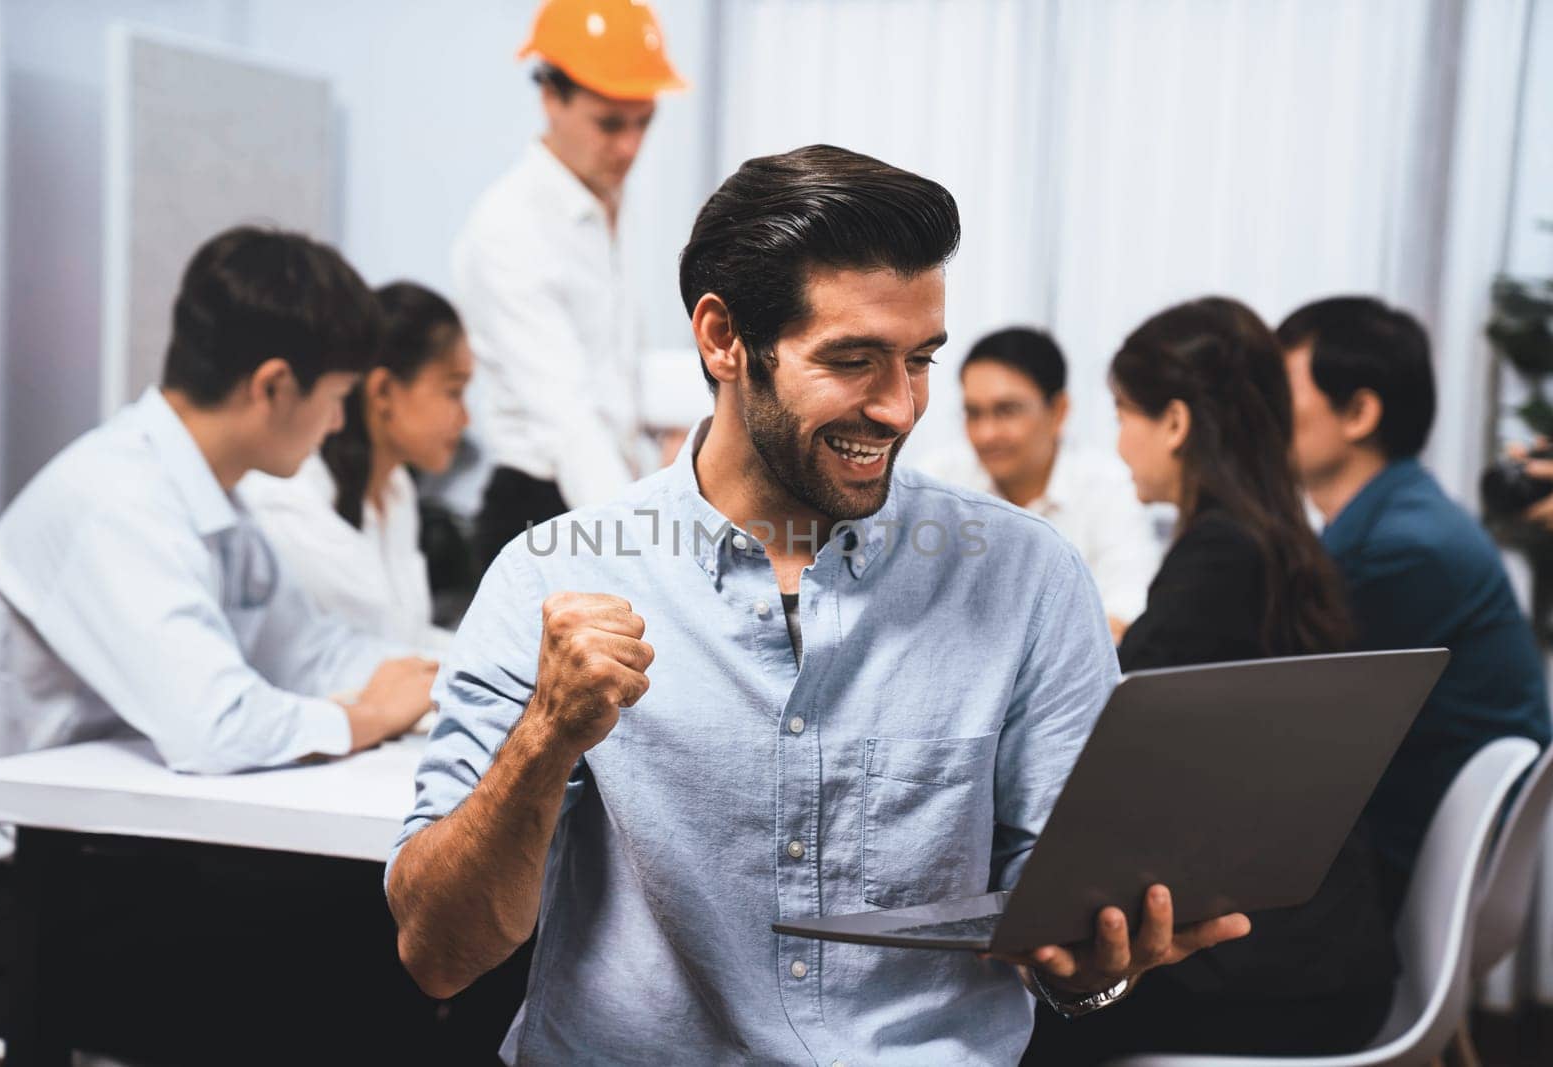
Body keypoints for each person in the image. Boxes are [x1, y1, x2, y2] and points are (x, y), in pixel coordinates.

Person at [386, 145, 1248, 1065]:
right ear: (722, 340)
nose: (899, 407)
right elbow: (439, 954)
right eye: (853, 360)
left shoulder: (1030, 581)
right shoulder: (548, 576)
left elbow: (1062, 940)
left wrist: (1096, 967)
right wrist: (544, 736)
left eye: (919, 360)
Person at [0, 226, 437, 1048]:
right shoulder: (114, 499)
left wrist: (450, 676)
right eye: (335, 396)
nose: (333, 425)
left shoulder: (213, 501)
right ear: (274, 385)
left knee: (390, 931)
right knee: (364, 962)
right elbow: (214, 726)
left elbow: (312, 652)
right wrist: (367, 718)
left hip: (124, 861)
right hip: (6, 899)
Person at [1022, 298, 1397, 1063]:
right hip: (1325, 946)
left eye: (1125, 412)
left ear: (1177, 423)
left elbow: (1112, 732)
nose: (1119, 440)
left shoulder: (1221, 556)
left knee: (1012, 1018)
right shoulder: (1282, 541)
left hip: (1265, 972)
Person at [1277, 296, 1551, 916]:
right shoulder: (1400, 518)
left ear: (1358, 411)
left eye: (1277, 391)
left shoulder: (1398, 549)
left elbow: (1286, 721)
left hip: (1409, 876)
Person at [452, 0, 687, 574]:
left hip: (606, 491)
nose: (630, 147)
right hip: (541, 509)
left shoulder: (606, 199)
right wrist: (645, 546)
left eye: (643, 122)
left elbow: (614, 371)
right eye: (610, 123)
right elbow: (567, 418)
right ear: (551, 97)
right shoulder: (510, 226)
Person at [242, 281, 471, 653]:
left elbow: (406, 638)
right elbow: (372, 655)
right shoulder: (291, 496)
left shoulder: (397, 489)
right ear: (382, 391)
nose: (466, 419)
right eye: (454, 391)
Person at [922, 327, 1160, 637]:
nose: (986, 433)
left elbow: (1130, 609)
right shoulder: (937, 481)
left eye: (1007, 411)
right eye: (973, 413)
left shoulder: (1108, 487)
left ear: (1058, 412)